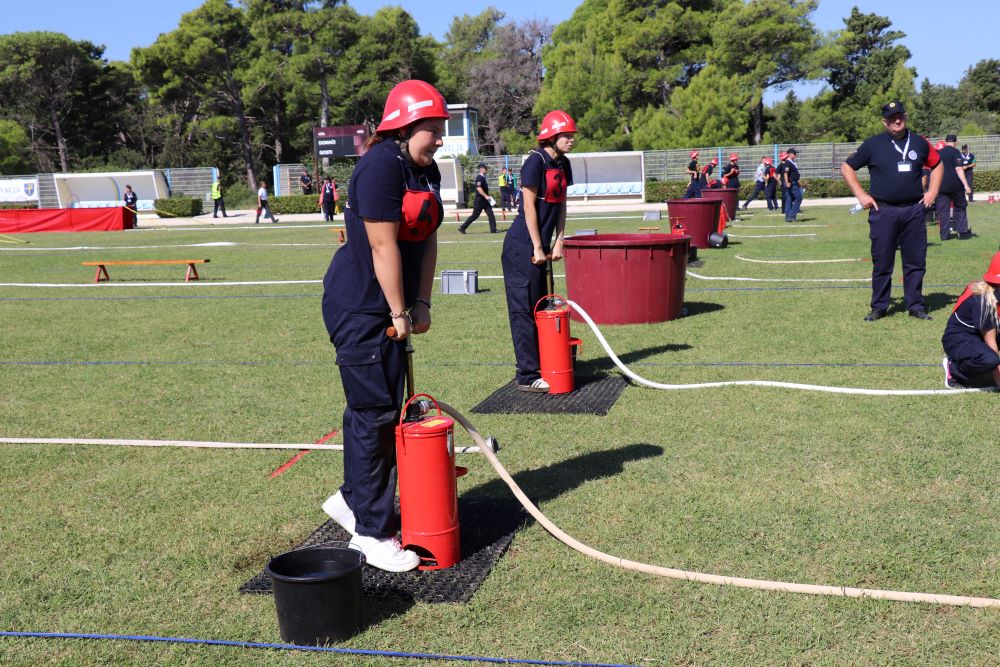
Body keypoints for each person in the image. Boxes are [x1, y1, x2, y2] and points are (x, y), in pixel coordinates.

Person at [319, 79, 447, 572]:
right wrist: (398, 311)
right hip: (361, 309)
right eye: (432, 130)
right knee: (374, 415)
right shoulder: (377, 167)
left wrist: (422, 300)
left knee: (381, 411)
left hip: (393, 306)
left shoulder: (425, 168)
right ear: (405, 125)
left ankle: (352, 500)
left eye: (440, 131)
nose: (438, 140)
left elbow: (429, 236)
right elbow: (381, 247)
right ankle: (371, 534)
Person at [841, 100, 941, 322]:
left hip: (913, 210)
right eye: (891, 117)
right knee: (882, 261)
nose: (897, 120)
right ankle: (879, 306)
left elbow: (937, 164)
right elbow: (847, 167)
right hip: (883, 211)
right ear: (884, 121)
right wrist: (861, 195)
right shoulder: (872, 145)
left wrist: (932, 191)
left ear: (905, 116)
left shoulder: (919, 142)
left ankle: (916, 305)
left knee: (915, 261)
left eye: (900, 116)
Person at [501, 109, 575, 393]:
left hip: (542, 246)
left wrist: (560, 239)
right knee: (523, 311)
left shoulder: (564, 164)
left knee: (542, 308)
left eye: (571, 135)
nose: (571, 140)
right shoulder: (534, 162)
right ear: (551, 136)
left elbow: (562, 203)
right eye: (566, 135)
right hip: (522, 247)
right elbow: (529, 207)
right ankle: (527, 375)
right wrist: (536, 245)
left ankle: (547, 364)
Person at [941, 252, 1000, 390]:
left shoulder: (996, 292)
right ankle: (954, 370)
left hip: (981, 334)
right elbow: (991, 341)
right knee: (989, 359)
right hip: (959, 337)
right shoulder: (982, 300)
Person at [934, 134, 972, 241]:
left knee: (943, 212)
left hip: (941, 187)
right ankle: (963, 233)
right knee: (960, 208)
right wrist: (966, 185)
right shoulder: (956, 152)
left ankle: (944, 235)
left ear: (945, 142)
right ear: (956, 142)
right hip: (956, 187)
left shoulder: (938, 153)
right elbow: (959, 169)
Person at [458, 162, 497, 234]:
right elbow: (479, 189)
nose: (486, 170)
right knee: (475, 215)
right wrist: (486, 196)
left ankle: (493, 229)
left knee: (491, 214)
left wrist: (487, 197)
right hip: (479, 200)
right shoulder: (479, 177)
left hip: (485, 200)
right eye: (485, 169)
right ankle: (462, 227)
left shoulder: (483, 177)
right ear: (481, 169)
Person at [784, 148, 803, 222]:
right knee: (799, 197)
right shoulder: (788, 163)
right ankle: (792, 215)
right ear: (790, 154)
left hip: (795, 182)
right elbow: (785, 173)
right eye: (795, 153)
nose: (796, 155)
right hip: (792, 183)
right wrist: (787, 182)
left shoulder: (792, 162)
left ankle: (788, 217)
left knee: (789, 199)